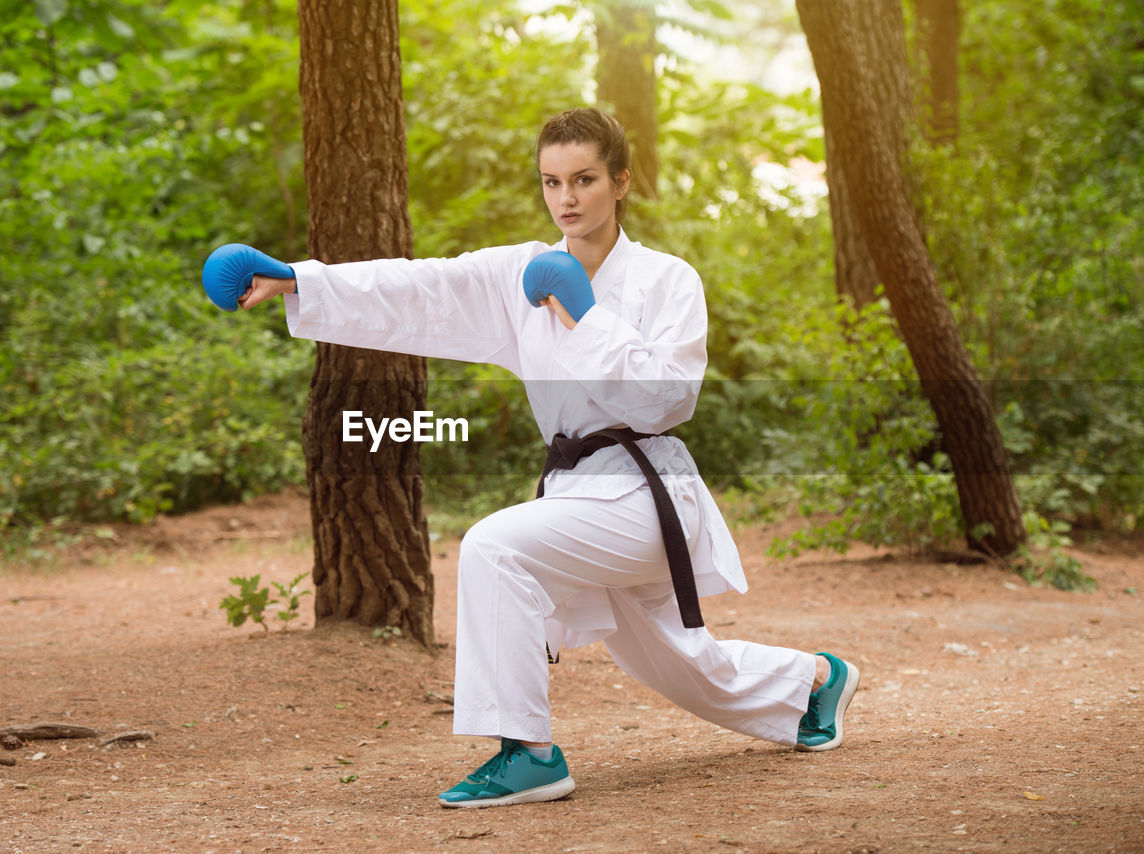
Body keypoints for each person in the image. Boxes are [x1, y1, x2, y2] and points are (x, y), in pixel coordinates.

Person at [203, 108, 859, 809]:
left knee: (493, 548)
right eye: (552, 182)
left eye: (584, 179)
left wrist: (587, 316)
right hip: (576, 493)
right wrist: (302, 282)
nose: (567, 198)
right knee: (673, 663)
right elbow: (420, 288)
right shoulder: (519, 274)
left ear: (621, 181)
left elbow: (668, 401)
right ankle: (813, 684)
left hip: (646, 492)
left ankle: (528, 753)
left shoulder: (668, 280)